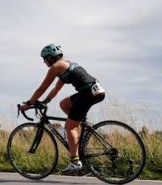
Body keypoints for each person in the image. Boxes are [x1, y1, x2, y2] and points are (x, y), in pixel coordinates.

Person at [19, 44, 106, 173]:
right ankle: (77, 133)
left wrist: (28, 104)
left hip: (87, 93)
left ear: (50, 57)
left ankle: (75, 162)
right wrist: (46, 101)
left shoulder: (56, 67)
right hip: (93, 91)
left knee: (69, 126)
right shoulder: (65, 66)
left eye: (44, 58)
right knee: (64, 104)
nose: (43, 61)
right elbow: (56, 89)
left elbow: (42, 88)